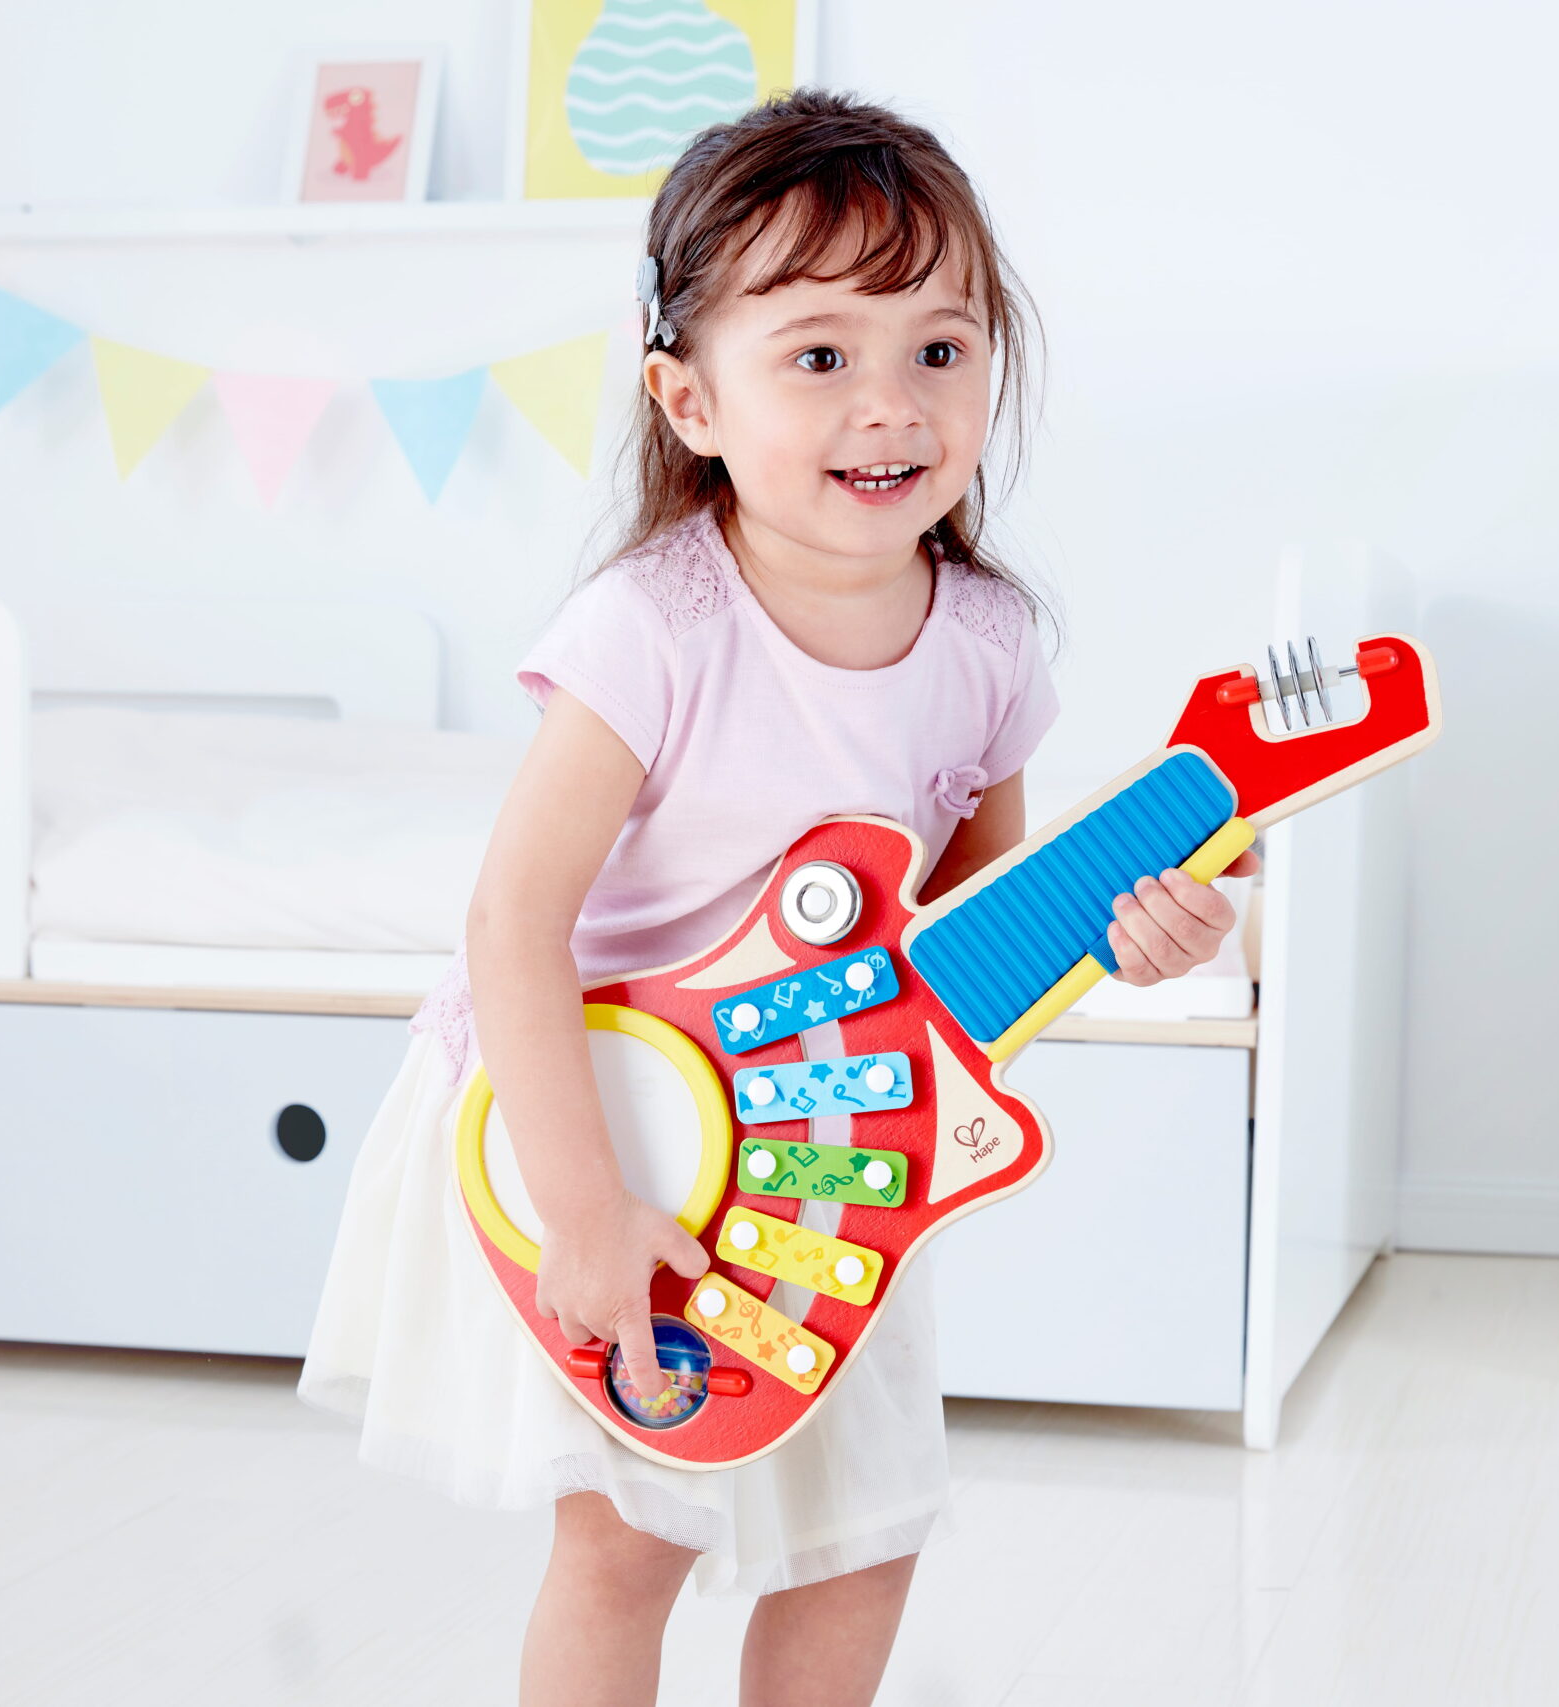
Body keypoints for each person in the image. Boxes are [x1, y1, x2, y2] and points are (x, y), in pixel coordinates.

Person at [300, 90, 1257, 1707]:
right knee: (628, 1543)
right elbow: (512, 922)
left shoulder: (988, 644)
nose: (890, 404)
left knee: (865, 1540)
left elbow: (970, 954)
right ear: (690, 397)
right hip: (609, 1122)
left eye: (940, 349)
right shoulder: (651, 627)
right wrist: (587, 1207)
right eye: (819, 354)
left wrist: (1132, 938)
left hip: (827, 1134)